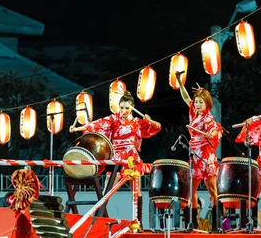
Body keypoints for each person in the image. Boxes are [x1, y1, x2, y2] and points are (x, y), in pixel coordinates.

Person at [69, 90, 161, 227]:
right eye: (122, 107)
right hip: (116, 156)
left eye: (127, 108)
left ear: (132, 108)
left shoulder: (136, 122)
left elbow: (156, 126)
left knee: (136, 190)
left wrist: (150, 120)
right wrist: (77, 129)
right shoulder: (113, 119)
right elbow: (97, 124)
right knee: (107, 189)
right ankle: (99, 218)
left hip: (131, 156)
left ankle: (138, 221)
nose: (123, 111)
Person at [176, 73, 221, 226]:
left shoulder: (208, 117)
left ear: (207, 103)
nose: (197, 105)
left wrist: (211, 134)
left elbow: (215, 129)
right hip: (195, 154)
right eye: (196, 102)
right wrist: (180, 83)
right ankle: (193, 222)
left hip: (206, 155)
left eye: (201, 102)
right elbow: (185, 98)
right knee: (191, 190)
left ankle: (215, 222)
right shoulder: (194, 113)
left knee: (212, 190)